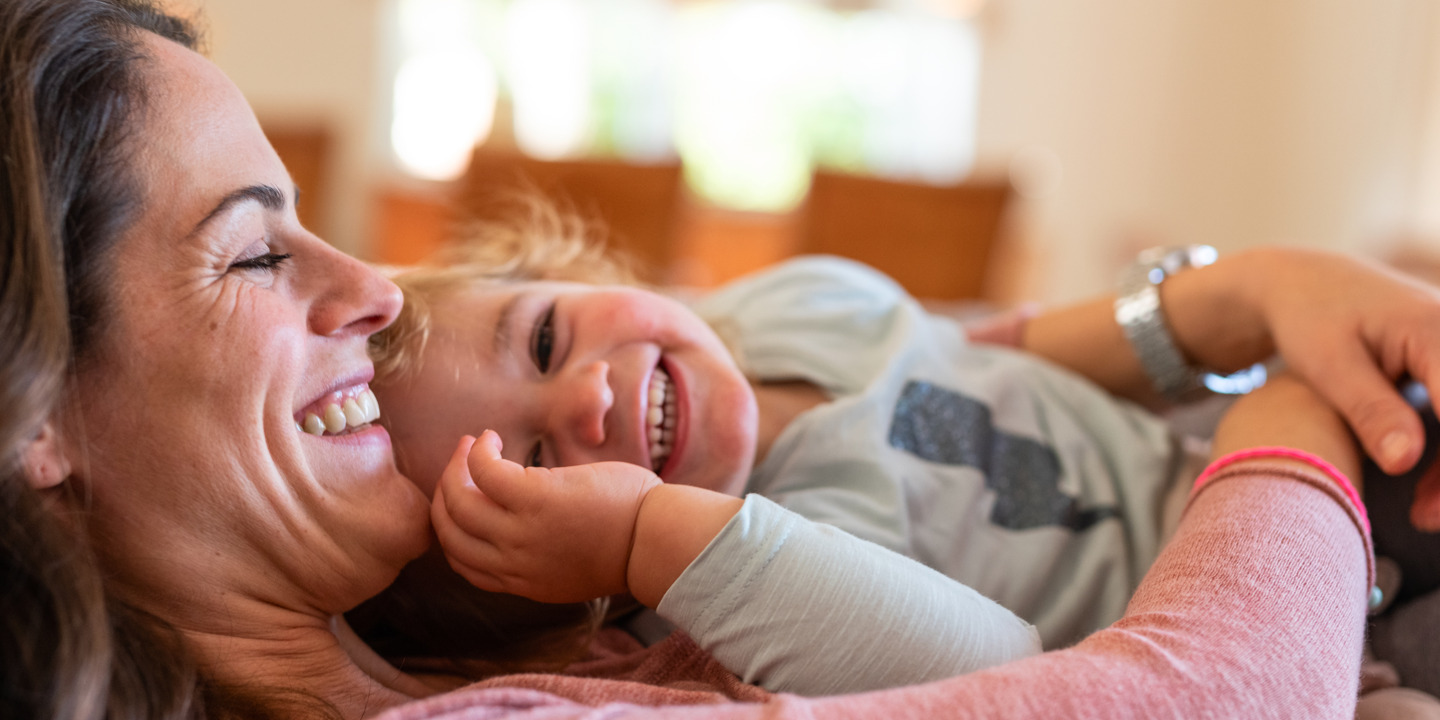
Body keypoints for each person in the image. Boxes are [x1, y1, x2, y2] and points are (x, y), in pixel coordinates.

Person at [0, 0, 1411, 717]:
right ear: (34, 415)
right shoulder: (671, 592)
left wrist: (1236, 301)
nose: (369, 286)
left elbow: (942, 366)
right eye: (254, 251)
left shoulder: (746, 369)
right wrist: (1290, 398)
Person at [369, 212, 1440, 695]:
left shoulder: (791, 309)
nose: (588, 394)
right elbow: (1001, 668)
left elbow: (1006, 353)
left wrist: (1246, 300)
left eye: (546, 335)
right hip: (1329, 639)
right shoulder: (747, 600)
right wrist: (651, 542)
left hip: (1268, 454)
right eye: (533, 466)